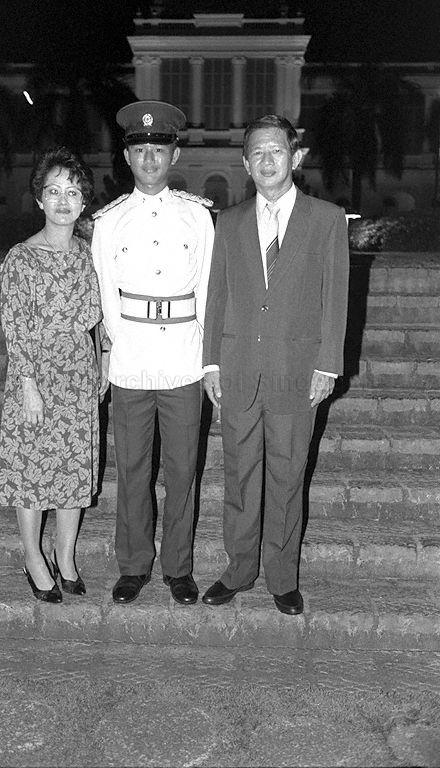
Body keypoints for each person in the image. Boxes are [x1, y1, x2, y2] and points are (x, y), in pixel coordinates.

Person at [201, 115, 349, 615]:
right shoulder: (230, 222)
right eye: (257, 153)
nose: (267, 160)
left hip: (296, 371)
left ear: (295, 157)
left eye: (277, 151)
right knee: (240, 476)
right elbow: (216, 296)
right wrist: (210, 364)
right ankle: (239, 569)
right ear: (245, 163)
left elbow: (336, 297)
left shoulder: (326, 220)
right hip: (239, 368)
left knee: (287, 476)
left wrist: (328, 364)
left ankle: (283, 576)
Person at [92, 100, 214, 605]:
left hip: (183, 357)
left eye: (158, 150)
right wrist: (115, 350)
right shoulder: (109, 223)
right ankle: (134, 565)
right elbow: (104, 295)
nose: (149, 160)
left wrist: (208, 360)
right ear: (127, 157)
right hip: (131, 360)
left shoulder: (198, 218)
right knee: (134, 470)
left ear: (175, 154)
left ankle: (178, 568)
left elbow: (208, 290)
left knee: (184, 469)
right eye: (140, 150)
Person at [0, 147, 108, 603]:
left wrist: (102, 358)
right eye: (53, 191)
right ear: (40, 199)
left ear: (83, 202)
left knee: (72, 470)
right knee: (31, 470)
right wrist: (28, 386)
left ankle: (65, 556)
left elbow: (99, 316)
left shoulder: (87, 255)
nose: (63, 200)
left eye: (73, 192)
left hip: (79, 375)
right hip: (37, 376)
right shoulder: (21, 259)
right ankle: (33, 557)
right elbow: (15, 323)